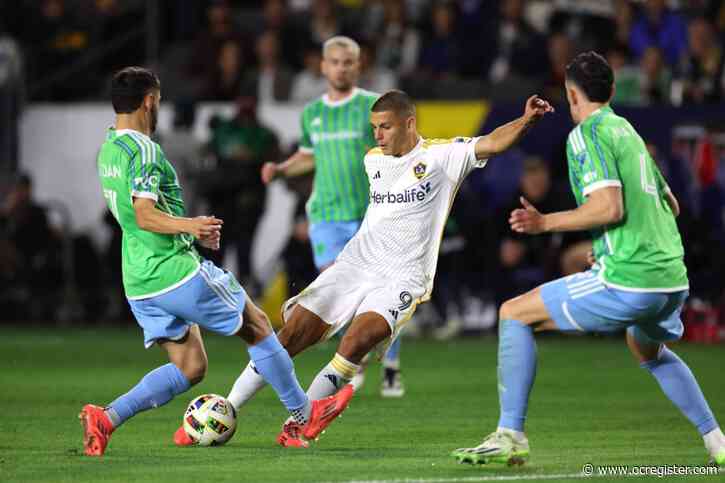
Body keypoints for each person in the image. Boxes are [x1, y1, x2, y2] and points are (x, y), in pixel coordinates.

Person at [451, 51, 725, 467]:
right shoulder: (628, 131)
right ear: (612, 91)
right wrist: (609, 240)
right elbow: (670, 203)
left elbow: (609, 207)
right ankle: (716, 442)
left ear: (571, 95)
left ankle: (510, 433)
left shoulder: (587, 134)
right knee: (647, 349)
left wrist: (545, 224)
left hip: (630, 279)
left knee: (513, 313)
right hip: (671, 278)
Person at [237, 89, 553, 448]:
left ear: (409, 123)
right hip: (356, 264)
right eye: (374, 127)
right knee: (291, 335)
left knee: (355, 341)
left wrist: (526, 120)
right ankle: (227, 409)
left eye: (385, 127)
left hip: (403, 277)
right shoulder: (374, 159)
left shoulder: (442, 157)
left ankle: (298, 424)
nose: (378, 135)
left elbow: (494, 143)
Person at [81, 66, 351, 457]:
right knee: (258, 325)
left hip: (139, 280)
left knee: (190, 366)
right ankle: (303, 414)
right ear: (150, 101)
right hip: (172, 270)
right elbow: (144, 213)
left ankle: (106, 418)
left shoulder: (110, 147)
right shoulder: (143, 148)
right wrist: (192, 226)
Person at [261, 35, 406, 397]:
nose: (341, 68)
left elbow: (397, 151)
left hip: (370, 214)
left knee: (382, 292)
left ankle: (390, 365)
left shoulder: (372, 106)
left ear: (359, 66)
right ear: (323, 66)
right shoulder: (313, 113)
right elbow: (309, 156)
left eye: (348, 62)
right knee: (339, 289)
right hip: (326, 215)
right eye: (335, 62)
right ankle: (351, 362)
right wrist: (281, 169)